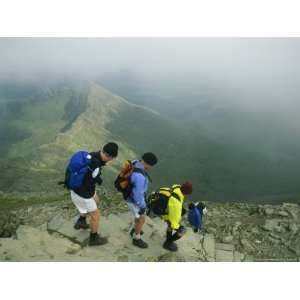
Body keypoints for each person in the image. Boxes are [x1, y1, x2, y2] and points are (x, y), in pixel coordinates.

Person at [70, 142, 118, 246]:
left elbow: (88, 176)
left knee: (97, 200)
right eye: (111, 159)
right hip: (82, 193)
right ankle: (94, 238)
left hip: (75, 188)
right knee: (96, 215)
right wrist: (92, 191)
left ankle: (81, 221)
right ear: (109, 156)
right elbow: (91, 180)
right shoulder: (96, 165)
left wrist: (94, 192)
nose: (111, 161)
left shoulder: (92, 155)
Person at [126, 152, 158, 249]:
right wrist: (143, 206)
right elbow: (138, 195)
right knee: (141, 218)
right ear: (149, 164)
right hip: (132, 200)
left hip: (128, 194)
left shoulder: (135, 162)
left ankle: (136, 229)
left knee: (139, 217)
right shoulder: (139, 177)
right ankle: (137, 238)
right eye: (151, 165)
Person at [161, 181, 193, 252]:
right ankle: (168, 242)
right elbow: (174, 222)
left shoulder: (176, 187)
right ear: (186, 193)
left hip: (166, 210)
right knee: (182, 230)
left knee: (170, 224)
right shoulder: (177, 205)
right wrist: (178, 227)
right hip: (168, 214)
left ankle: (168, 239)